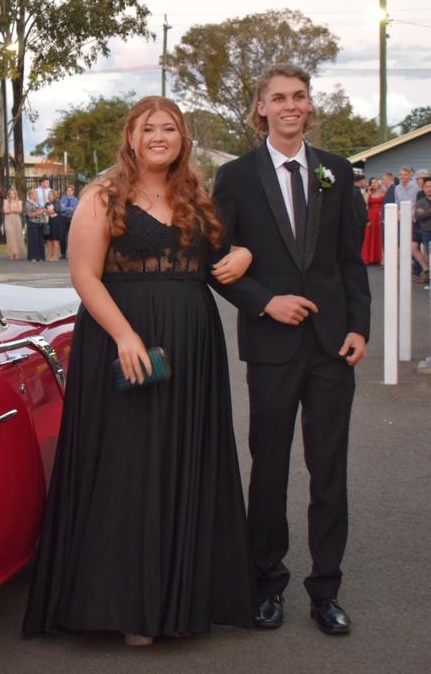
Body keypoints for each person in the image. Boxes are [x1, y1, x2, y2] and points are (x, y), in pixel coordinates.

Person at [23, 96, 257, 645]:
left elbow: (218, 261)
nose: (159, 136)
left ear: (183, 139)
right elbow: (84, 276)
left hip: (193, 347)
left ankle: (177, 600)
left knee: (182, 460)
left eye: (169, 128)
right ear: (130, 137)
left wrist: (242, 254)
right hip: (124, 344)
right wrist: (126, 334)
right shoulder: (103, 195)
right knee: (129, 467)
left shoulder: (196, 195)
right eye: (148, 128)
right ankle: (128, 607)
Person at [210, 64, 371, 637]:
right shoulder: (235, 178)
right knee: (270, 469)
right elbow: (217, 264)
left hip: (333, 347)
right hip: (272, 345)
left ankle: (326, 590)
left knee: (330, 470)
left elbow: (351, 259)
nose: (290, 106)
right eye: (278, 98)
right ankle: (266, 584)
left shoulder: (337, 172)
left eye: (299, 96)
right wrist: (265, 302)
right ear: (260, 108)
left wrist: (361, 328)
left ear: (309, 105)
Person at [361, 177, 385, 265]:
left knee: (379, 235)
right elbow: (365, 203)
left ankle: (379, 258)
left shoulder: (383, 192)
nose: (374, 184)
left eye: (376, 182)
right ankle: (368, 257)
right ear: (370, 184)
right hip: (371, 215)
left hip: (380, 214)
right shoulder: (368, 193)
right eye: (373, 182)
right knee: (369, 235)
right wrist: (368, 193)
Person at [24, 188, 48, 262]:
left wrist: (42, 211)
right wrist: (39, 212)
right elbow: (29, 214)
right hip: (33, 223)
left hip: (40, 223)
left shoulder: (38, 203)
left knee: (40, 240)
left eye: (36, 194)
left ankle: (40, 256)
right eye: (34, 194)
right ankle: (33, 257)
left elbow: (43, 210)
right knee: (33, 240)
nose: (36, 195)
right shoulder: (28, 203)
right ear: (30, 195)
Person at [3, 187, 25, 260]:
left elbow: (19, 210)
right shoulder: (6, 201)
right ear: (8, 194)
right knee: (10, 235)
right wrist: (13, 210)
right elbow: (5, 211)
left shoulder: (19, 201)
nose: (12, 195)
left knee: (17, 235)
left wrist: (11, 210)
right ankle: (12, 253)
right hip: (8, 219)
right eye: (10, 193)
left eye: (13, 193)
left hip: (16, 219)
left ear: (16, 194)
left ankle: (17, 253)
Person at [56, 184, 78, 258]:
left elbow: (76, 209)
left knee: (73, 237)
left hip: (72, 219)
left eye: (71, 190)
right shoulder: (62, 199)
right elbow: (61, 209)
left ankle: (74, 253)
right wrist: (71, 208)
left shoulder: (76, 200)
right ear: (66, 191)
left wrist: (66, 208)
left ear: (73, 192)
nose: (69, 192)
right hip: (63, 218)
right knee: (62, 237)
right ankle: (63, 253)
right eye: (68, 190)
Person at [45, 193, 63, 260]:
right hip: (49, 222)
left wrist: (48, 211)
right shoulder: (47, 203)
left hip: (56, 222)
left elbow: (55, 210)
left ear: (55, 196)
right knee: (49, 239)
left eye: (52, 195)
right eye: (49, 195)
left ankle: (55, 256)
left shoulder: (57, 202)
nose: (50, 196)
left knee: (55, 239)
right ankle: (50, 254)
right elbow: (45, 211)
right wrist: (49, 211)